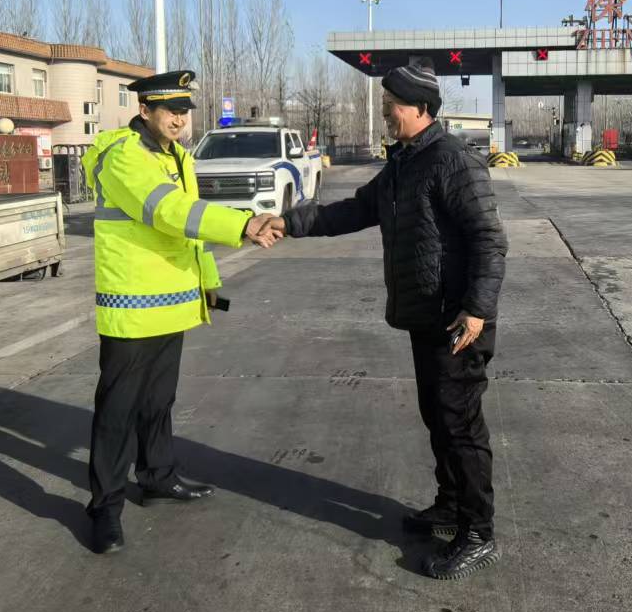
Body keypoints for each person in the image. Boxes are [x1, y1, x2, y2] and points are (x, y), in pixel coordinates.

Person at [263, 60, 508, 580]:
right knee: (438, 417)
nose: (385, 115)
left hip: (458, 321)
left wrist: (477, 309)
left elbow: (489, 239)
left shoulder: (451, 160)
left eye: (391, 106)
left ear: (420, 109)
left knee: (461, 425)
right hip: (426, 317)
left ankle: (478, 532)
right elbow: (350, 211)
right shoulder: (404, 164)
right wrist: (288, 222)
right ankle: (450, 505)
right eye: (384, 105)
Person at [81, 70, 279, 554]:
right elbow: (169, 212)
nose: (178, 119)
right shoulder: (124, 156)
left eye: (184, 111)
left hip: (170, 302)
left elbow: (189, 231)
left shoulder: (176, 157)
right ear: (144, 111)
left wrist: (207, 282)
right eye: (169, 110)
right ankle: (105, 508)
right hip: (132, 304)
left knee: (158, 401)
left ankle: (157, 477)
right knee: (118, 411)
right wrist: (242, 224)